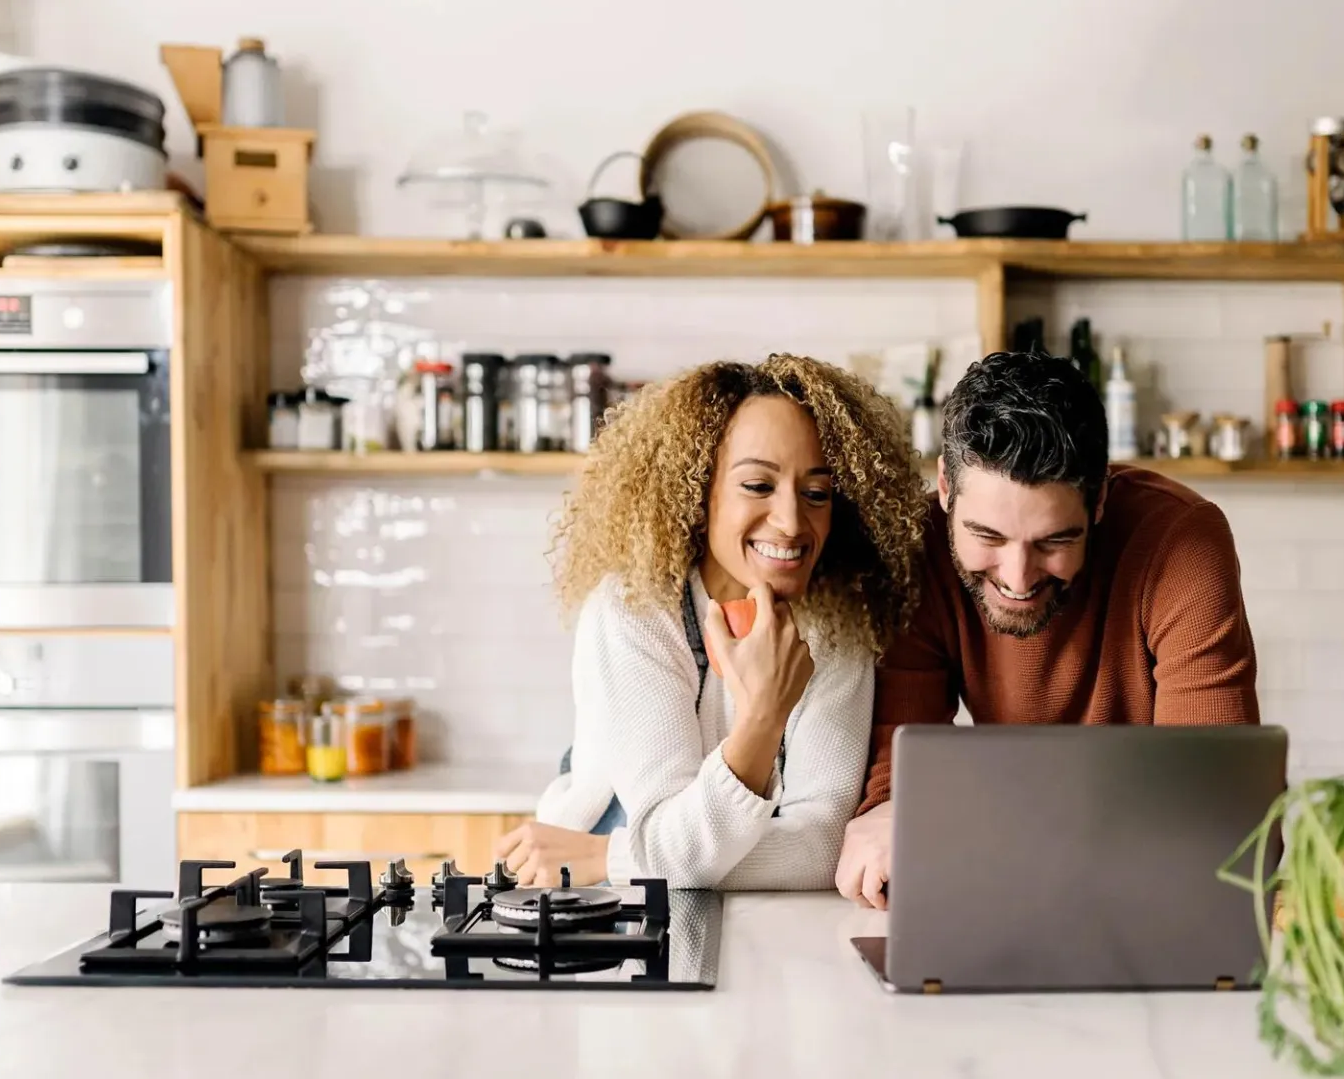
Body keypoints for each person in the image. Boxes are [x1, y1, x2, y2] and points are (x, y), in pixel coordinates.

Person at [834, 351, 1260, 908]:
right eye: (987, 536)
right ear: (944, 487)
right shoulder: (917, 549)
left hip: (1155, 900)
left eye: (1054, 541)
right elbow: (899, 764)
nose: (1017, 577)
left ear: (1100, 498)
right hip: (1035, 885)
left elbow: (1212, 800)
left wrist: (961, 820)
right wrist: (892, 812)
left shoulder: (1182, 543)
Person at [498, 354, 925, 889]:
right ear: (699, 490)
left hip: (612, 871)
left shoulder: (841, 628)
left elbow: (821, 846)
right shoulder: (635, 608)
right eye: (758, 486)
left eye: (816, 493)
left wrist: (613, 859)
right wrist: (764, 717)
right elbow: (664, 838)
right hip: (599, 904)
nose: (792, 522)